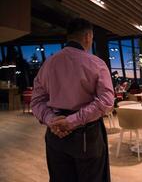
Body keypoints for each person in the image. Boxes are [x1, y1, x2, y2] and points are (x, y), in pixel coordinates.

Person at [31, 18, 114, 182]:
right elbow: (106, 101)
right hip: (86, 135)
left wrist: (52, 120)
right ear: (88, 36)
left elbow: (36, 102)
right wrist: (71, 121)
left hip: (55, 135)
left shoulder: (48, 64)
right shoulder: (96, 63)